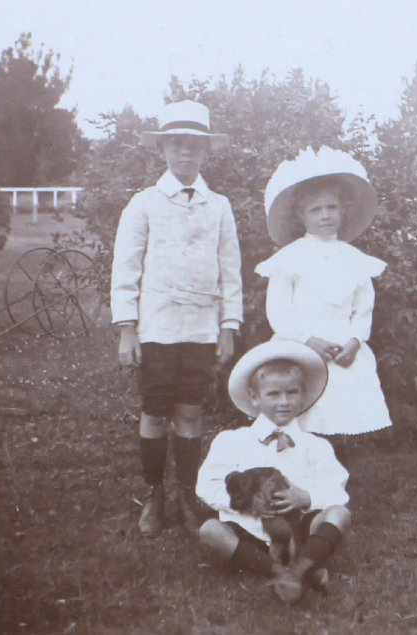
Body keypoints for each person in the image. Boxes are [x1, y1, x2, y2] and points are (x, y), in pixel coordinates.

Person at [110, 100, 242, 537]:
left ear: (206, 152)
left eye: (194, 146)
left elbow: (230, 268)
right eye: (176, 145)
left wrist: (229, 325)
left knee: (190, 411)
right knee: (155, 411)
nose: (185, 153)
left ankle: (186, 492)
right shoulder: (144, 204)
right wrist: (128, 329)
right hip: (158, 326)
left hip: (200, 328)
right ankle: (154, 494)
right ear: (163, 150)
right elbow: (126, 268)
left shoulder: (219, 206)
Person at [254, 146, 392, 458]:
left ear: (344, 210)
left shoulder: (355, 259)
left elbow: (363, 307)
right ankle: (297, 480)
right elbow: (278, 311)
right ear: (301, 216)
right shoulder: (290, 258)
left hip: (342, 349)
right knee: (302, 417)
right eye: (316, 210)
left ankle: (334, 484)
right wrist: (307, 339)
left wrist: (356, 341)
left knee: (339, 416)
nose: (326, 215)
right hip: (302, 346)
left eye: (332, 207)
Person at [197, 340, 351, 604]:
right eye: (274, 394)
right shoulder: (232, 440)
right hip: (249, 528)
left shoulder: (315, 445)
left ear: (302, 395)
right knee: (210, 530)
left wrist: (307, 498)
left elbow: (336, 488)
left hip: (300, 529)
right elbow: (206, 485)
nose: (284, 402)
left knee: (340, 513)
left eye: (292, 393)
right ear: (255, 398)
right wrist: (245, 502)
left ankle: (300, 567)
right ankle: (280, 570)